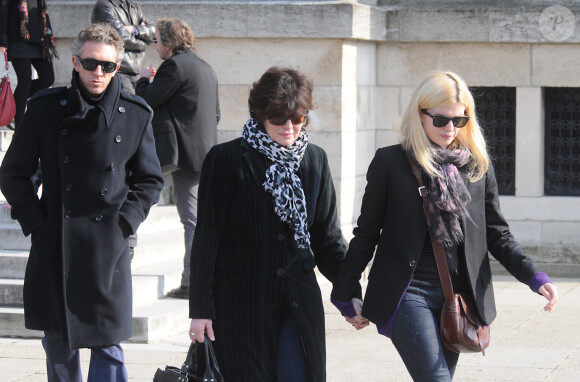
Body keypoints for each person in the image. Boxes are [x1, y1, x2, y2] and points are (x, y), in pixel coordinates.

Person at [330, 71, 559, 381]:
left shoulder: (477, 166)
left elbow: (497, 234)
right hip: (407, 291)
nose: (450, 128)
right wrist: (346, 291)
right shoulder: (390, 163)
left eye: (459, 120)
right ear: (420, 115)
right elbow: (367, 232)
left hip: (458, 296)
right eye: (440, 120)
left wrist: (534, 276)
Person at [0, 23, 164, 381]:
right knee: (59, 342)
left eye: (108, 65)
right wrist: (36, 224)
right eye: (90, 63)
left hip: (109, 248)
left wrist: (125, 224)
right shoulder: (45, 109)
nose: (99, 73)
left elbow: (149, 180)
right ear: (75, 62)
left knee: (108, 345)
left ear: (117, 67)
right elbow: (12, 173)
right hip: (56, 245)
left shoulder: (136, 114)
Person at [188, 67, 358, 382]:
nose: (289, 127)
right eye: (278, 119)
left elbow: (327, 239)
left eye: (298, 118)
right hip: (240, 304)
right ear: (259, 115)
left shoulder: (315, 160)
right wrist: (200, 310)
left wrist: (351, 290)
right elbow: (206, 240)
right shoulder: (226, 159)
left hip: (297, 298)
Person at [135, 17, 220, 299]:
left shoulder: (173, 66)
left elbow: (148, 99)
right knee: (195, 220)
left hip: (179, 153)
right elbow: (216, 114)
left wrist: (144, 79)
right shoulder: (206, 67)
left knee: (191, 221)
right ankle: (193, 282)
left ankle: (192, 284)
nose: (155, 44)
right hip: (202, 152)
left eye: (157, 39)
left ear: (169, 42)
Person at [0, 0, 57, 129]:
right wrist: (2, 40)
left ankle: (11, 106)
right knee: (25, 80)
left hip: (39, 38)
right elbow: (2, 8)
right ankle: (19, 127)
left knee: (47, 78)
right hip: (17, 36)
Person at [91, 0, 155, 93]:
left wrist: (133, 29)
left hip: (137, 71)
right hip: (119, 72)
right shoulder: (104, 6)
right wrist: (143, 42)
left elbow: (153, 31)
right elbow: (119, 38)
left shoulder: (133, 5)